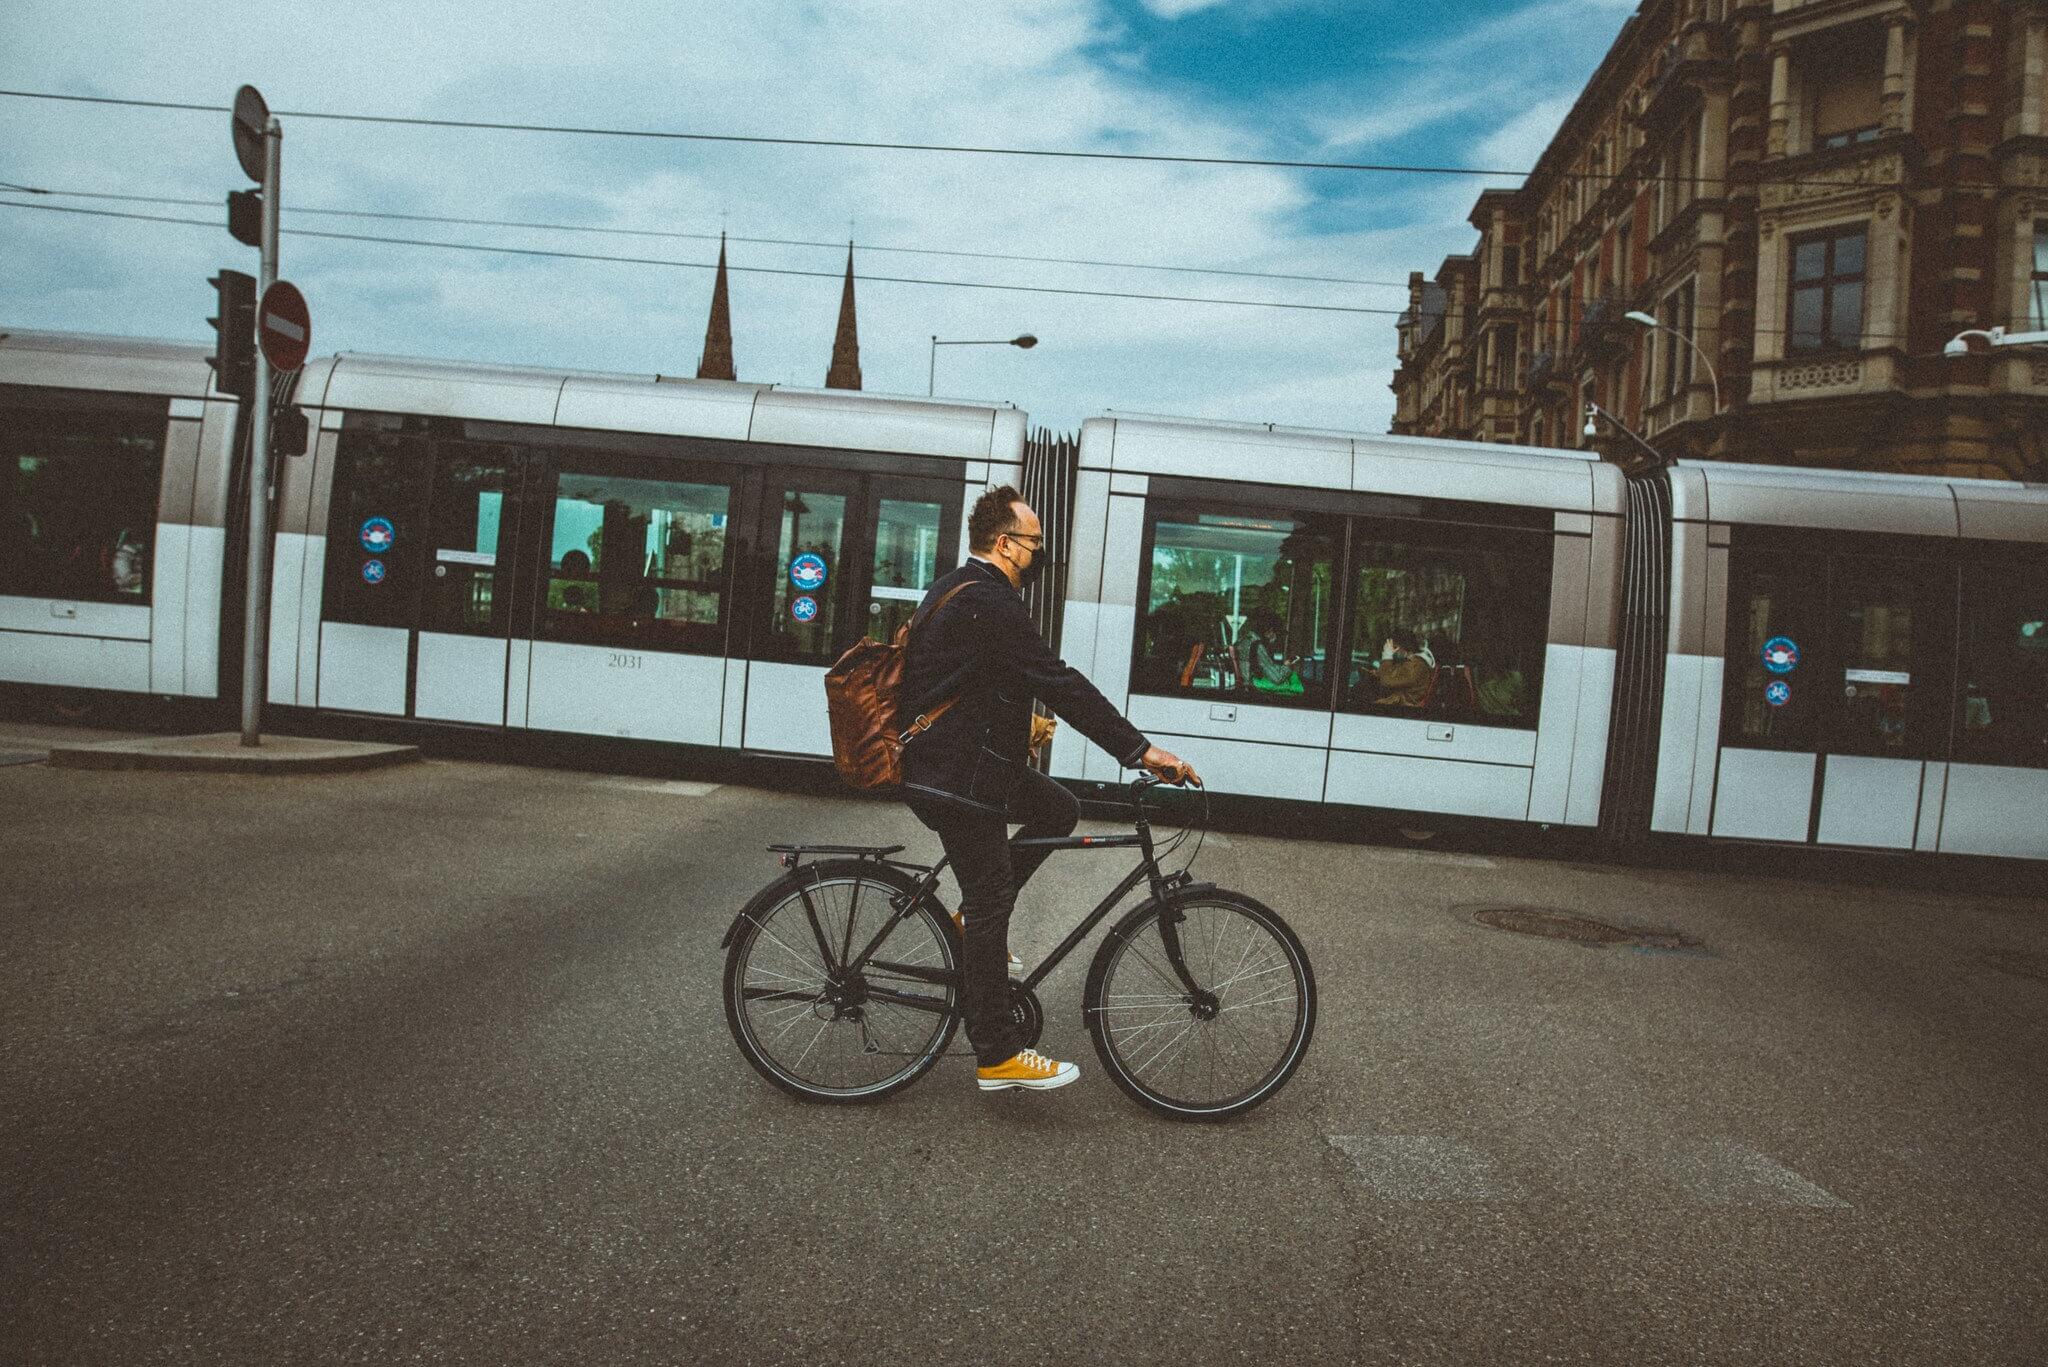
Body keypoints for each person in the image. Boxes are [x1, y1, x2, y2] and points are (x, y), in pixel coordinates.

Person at [900, 485, 1198, 1094]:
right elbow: (1056, 679)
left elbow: (968, 675)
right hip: (956, 775)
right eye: (1034, 545)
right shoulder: (990, 600)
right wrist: (1140, 751)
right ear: (1006, 545)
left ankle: (963, 921)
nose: (1038, 557)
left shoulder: (958, 586)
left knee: (1056, 807)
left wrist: (1015, 723)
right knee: (991, 900)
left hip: (952, 760)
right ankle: (998, 1052)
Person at [1372, 629, 1436, 707]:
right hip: (1400, 701)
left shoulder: (1415, 665)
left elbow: (1386, 682)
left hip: (1403, 705)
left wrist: (1387, 656)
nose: (1392, 651)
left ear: (1404, 647)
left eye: (1394, 647)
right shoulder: (1410, 662)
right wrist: (1379, 673)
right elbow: (1394, 674)